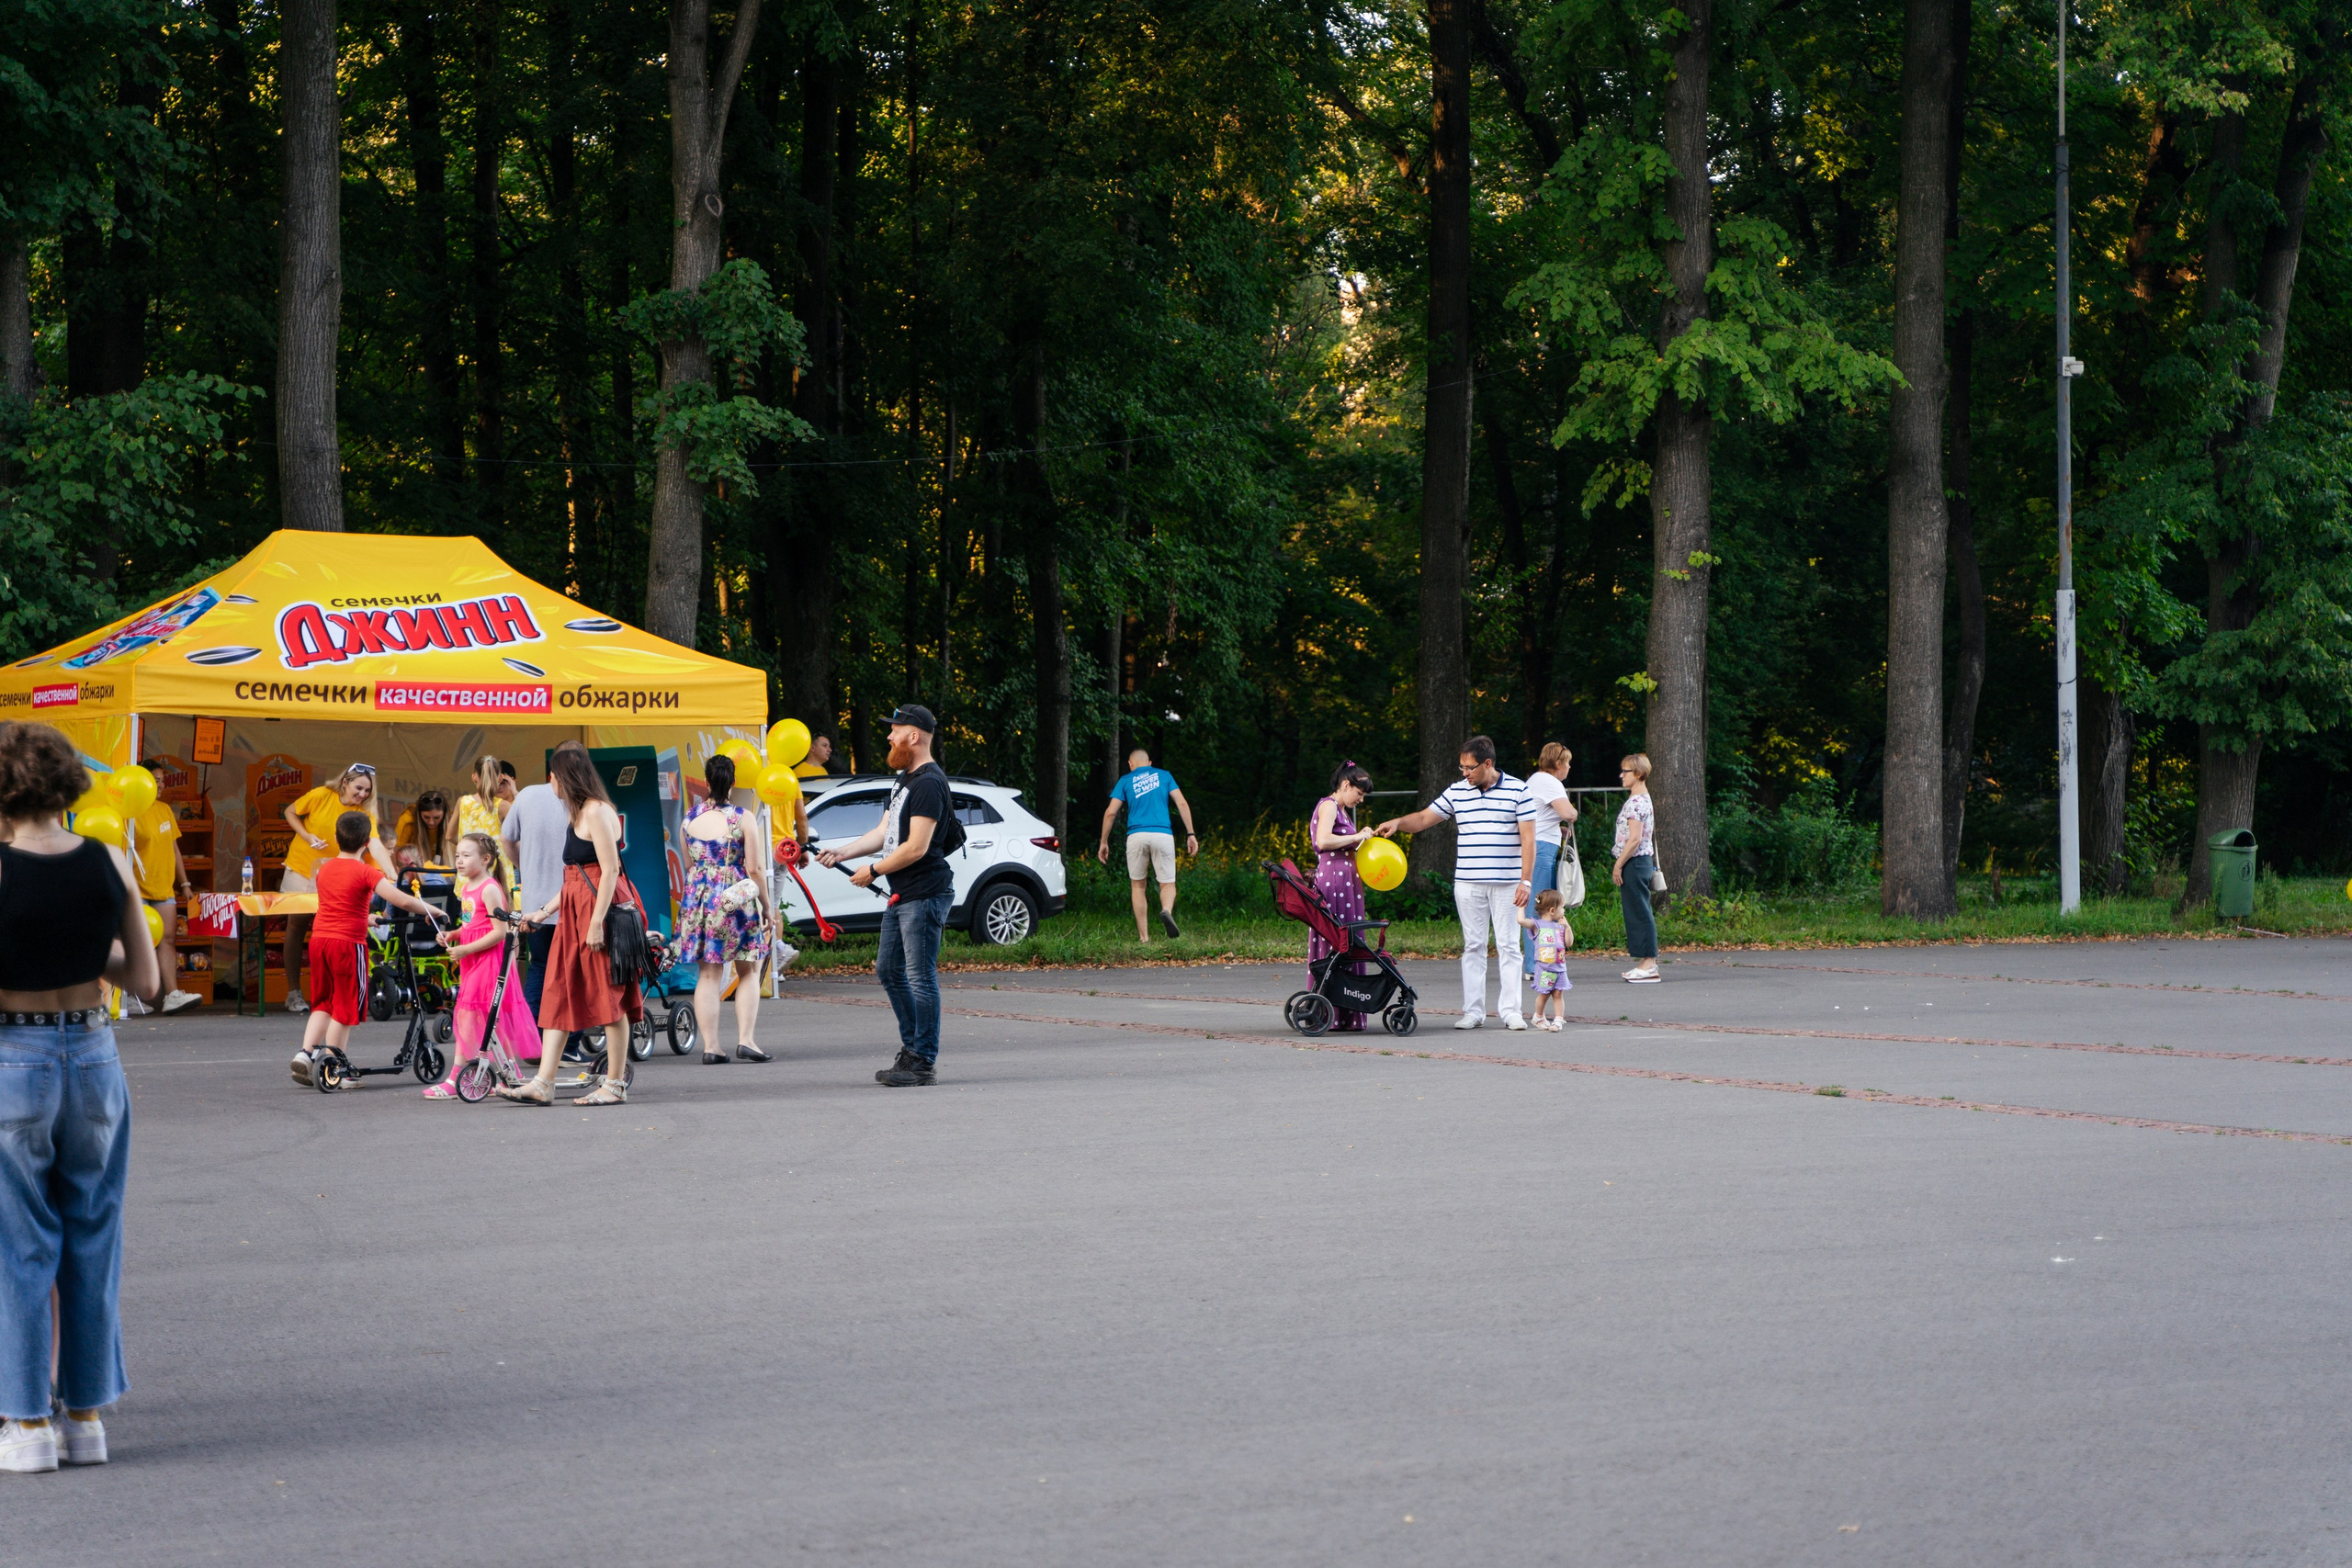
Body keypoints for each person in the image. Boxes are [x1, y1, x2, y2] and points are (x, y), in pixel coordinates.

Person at [0, 721, 157, 1475]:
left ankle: (26, 1420)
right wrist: (83, 945)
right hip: (92, 1049)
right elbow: (148, 982)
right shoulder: (106, 860)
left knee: (19, 1241)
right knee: (93, 1232)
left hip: (15, 1053)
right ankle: (86, 1415)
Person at [498, 744, 645, 1108]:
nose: (552, 785)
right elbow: (574, 879)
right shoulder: (579, 813)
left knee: (608, 999)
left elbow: (609, 871)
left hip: (596, 914)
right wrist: (543, 911)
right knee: (559, 993)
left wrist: (596, 924)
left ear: (565, 777)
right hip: (574, 913)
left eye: (554, 777)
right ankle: (543, 1082)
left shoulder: (596, 812)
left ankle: (614, 1084)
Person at [817, 704, 955, 1087]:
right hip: (903, 894)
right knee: (888, 971)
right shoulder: (905, 780)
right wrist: (844, 853)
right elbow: (884, 832)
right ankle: (912, 1050)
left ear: (914, 736)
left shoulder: (928, 783)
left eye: (895, 731)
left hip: (925, 893)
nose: (889, 736)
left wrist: (873, 871)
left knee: (920, 977)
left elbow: (917, 847)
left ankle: (922, 1060)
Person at [1374, 734, 1536, 1032]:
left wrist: (1526, 881)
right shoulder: (1458, 791)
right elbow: (1424, 818)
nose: (1464, 773)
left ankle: (1511, 1011)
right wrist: (1398, 823)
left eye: (1469, 767)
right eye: (1461, 767)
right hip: (1468, 883)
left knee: (1509, 946)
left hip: (1507, 884)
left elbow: (1528, 838)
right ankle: (1473, 1012)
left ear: (1487, 763)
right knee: (1473, 946)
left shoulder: (1519, 790)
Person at [288, 812, 450, 1087]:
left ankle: (305, 1054)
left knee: (323, 1002)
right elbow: (400, 899)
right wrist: (433, 910)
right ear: (366, 842)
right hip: (347, 944)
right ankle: (334, 1067)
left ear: (336, 838)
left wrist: (367, 918)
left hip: (320, 941)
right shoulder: (367, 872)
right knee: (345, 1007)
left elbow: (338, 906)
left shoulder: (325, 869)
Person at [423, 832, 541, 1099]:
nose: (460, 861)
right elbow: (470, 925)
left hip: (490, 960)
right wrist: (453, 936)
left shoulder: (489, 888)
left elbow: (500, 932)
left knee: (468, 1014)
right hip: (474, 958)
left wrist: (465, 948)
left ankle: (455, 1079)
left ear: (486, 859)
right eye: (457, 856)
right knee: (489, 1018)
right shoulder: (465, 888)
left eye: (466, 855)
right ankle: (514, 1075)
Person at [677, 754, 775, 1065]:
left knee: (708, 972)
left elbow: (689, 865)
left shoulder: (689, 819)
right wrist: (767, 907)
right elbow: (756, 868)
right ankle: (746, 1040)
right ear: (733, 782)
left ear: (706, 783)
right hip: (735, 898)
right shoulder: (742, 818)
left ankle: (711, 1047)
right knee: (748, 967)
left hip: (699, 900)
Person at [279, 764, 394, 1016]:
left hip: (335, 875)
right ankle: (293, 991)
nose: (363, 794)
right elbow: (290, 812)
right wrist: (307, 835)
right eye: (359, 788)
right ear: (345, 782)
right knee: (296, 925)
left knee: (331, 930)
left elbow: (375, 844)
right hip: (301, 867)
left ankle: (329, 993)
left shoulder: (364, 814)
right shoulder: (321, 794)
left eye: (367, 791)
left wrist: (393, 873)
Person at [499, 753, 572, 1023]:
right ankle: (564, 1042)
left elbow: (506, 839)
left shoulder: (527, 795)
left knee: (538, 966)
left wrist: (524, 866)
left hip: (534, 901)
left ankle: (531, 1038)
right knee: (568, 972)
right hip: (569, 900)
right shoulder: (584, 799)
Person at [1096, 749, 1198, 942]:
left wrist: (1103, 842)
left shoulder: (1125, 780)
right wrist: (1190, 833)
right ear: (1149, 763)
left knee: (1138, 885)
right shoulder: (1164, 776)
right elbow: (1182, 804)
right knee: (1167, 883)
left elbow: (1110, 813)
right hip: (1162, 834)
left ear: (1130, 764)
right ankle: (1166, 910)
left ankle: (1144, 938)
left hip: (1136, 835)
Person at [1308, 761, 1380, 1032]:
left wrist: (1362, 838)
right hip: (1335, 878)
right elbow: (1323, 841)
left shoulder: (1341, 810)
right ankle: (1334, 1012)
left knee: (1348, 940)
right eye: (1359, 794)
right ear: (1346, 785)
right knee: (1337, 940)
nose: (1360, 800)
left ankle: (1347, 1010)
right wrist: (1357, 836)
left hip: (1346, 879)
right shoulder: (1329, 805)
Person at [128, 788, 200, 1014]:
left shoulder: (165, 809)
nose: (160, 786)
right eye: (155, 781)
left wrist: (185, 884)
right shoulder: (130, 811)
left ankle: (172, 995)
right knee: (138, 942)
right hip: (137, 887)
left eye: (162, 781)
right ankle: (129, 997)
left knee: (168, 939)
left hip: (164, 887)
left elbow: (174, 849)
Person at [1521, 743, 1578, 976]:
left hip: (1538, 843)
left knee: (1539, 904)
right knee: (1541, 907)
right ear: (1558, 764)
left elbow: (1540, 816)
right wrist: (1570, 817)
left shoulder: (1535, 780)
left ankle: (1539, 960)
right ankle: (1536, 966)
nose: (1569, 767)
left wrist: (1558, 829)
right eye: (1567, 762)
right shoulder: (1551, 782)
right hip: (1542, 850)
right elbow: (1569, 813)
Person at [1612, 753, 1662, 983]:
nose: (1621, 775)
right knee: (1638, 910)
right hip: (1640, 861)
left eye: (1626, 771)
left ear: (1639, 774)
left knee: (1639, 912)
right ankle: (1645, 962)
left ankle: (1649, 963)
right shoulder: (1642, 798)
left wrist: (1618, 865)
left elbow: (1634, 839)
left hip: (1634, 862)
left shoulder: (1636, 802)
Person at [1514, 887, 1575, 1030]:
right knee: (1544, 994)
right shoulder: (1537, 925)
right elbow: (1521, 921)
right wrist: (1521, 905)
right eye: (1562, 908)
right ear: (1553, 910)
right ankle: (1539, 1017)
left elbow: (1569, 943)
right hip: (1545, 968)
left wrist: (1568, 927)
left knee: (1558, 993)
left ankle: (1558, 1020)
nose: (1564, 911)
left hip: (1559, 967)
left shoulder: (1559, 926)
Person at [393, 787, 455, 868]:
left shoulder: (452, 818)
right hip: (414, 863)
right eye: (426, 817)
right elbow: (396, 850)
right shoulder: (408, 819)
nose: (431, 822)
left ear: (444, 814)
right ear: (419, 814)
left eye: (437, 818)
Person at [456, 755, 510, 845]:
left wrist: (467, 846)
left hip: (469, 858)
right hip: (497, 859)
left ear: (474, 777)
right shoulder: (504, 806)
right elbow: (518, 837)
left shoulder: (462, 802)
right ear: (500, 778)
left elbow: (449, 836)